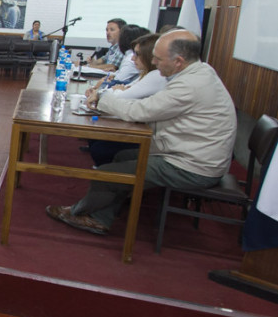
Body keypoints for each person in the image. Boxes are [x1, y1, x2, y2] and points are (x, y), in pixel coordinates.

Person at [47, 30, 238, 236]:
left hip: (193, 167)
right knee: (122, 157)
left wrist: (102, 97)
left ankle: (82, 214)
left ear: (179, 61)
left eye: (158, 58)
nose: (154, 62)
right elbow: (153, 106)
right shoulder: (199, 72)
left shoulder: (190, 85)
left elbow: (140, 110)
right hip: (193, 155)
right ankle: (103, 215)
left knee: (109, 174)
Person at [83, 34, 166, 166]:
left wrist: (104, 93)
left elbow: (121, 95)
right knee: (96, 138)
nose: (133, 59)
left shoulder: (156, 76)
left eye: (137, 54)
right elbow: (121, 90)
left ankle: (108, 173)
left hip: (148, 135)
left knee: (100, 147)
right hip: (136, 124)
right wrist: (106, 92)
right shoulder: (146, 73)